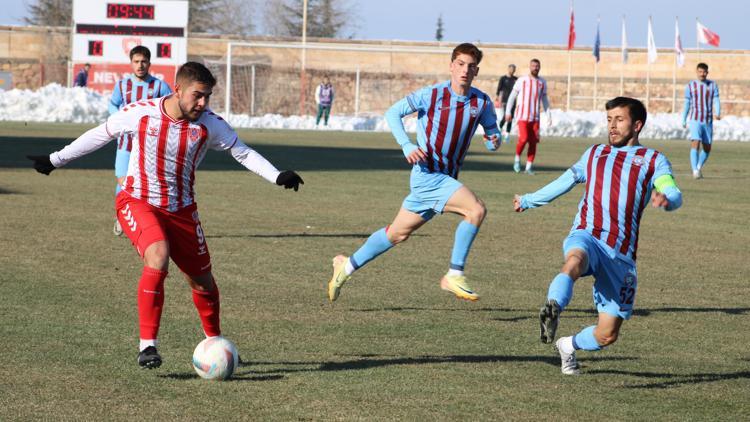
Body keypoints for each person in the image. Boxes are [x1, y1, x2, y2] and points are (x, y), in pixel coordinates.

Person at [27, 62, 304, 369]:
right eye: (198, 95)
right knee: (157, 254)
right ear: (178, 89)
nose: (203, 103)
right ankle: (147, 346)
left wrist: (277, 176)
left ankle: (216, 343)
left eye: (208, 96)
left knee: (203, 283)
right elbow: (100, 134)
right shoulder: (141, 112)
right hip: (137, 200)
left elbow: (242, 152)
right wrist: (55, 159)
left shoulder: (210, 125)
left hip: (183, 211)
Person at [513, 97, 682, 375]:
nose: (612, 126)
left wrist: (668, 199)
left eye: (619, 119)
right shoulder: (594, 154)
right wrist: (529, 200)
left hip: (621, 255)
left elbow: (672, 190)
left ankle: (568, 345)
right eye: (609, 120)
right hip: (588, 234)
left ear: (637, 125)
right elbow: (564, 182)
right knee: (573, 261)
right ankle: (553, 306)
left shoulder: (653, 160)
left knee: (607, 335)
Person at [327, 43, 501, 303]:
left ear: (477, 70)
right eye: (461, 64)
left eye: (471, 66)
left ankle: (346, 266)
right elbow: (393, 112)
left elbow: (492, 132)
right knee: (475, 210)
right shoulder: (432, 95)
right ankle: (454, 273)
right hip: (427, 175)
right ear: (452, 66)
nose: (465, 70)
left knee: (396, 234)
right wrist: (407, 145)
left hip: (446, 178)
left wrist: (494, 140)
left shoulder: (482, 102)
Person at [110, 46, 173, 236]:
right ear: (131, 63)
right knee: (123, 179)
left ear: (149, 63)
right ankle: (121, 216)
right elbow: (112, 104)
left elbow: (170, 106)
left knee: (150, 181)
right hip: (125, 143)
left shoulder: (160, 86)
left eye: (144, 61)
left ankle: (154, 219)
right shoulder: (122, 86)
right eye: (136, 61)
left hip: (150, 145)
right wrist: (119, 118)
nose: (140, 65)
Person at [504, 59, 550, 175]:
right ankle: (517, 159)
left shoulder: (542, 82)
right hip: (522, 116)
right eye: (533, 66)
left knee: (533, 142)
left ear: (540, 67)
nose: (535, 68)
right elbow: (512, 96)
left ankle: (529, 167)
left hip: (535, 118)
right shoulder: (522, 80)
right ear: (530, 67)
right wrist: (508, 111)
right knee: (523, 139)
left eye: (537, 66)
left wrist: (548, 114)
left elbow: (544, 99)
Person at [681, 62, 720, 179]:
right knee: (695, 142)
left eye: (704, 72)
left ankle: (698, 167)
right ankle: (694, 170)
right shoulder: (690, 86)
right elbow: (687, 103)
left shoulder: (713, 85)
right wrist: (683, 118)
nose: (702, 74)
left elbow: (716, 99)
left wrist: (718, 112)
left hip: (707, 121)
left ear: (707, 72)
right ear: (697, 72)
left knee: (707, 147)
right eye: (700, 71)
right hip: (695, 119)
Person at [495, 64, 517, 143]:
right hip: (505, 101)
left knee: (510, 117)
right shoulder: (503, 79)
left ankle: (507, 136)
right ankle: (499, 131)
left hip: (513, 102)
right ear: (508, 69)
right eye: (511, 69)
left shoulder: (515, 79)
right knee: (505, 117)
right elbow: (499, 90)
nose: (512, 70)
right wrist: (498, 99)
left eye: (514, 69)